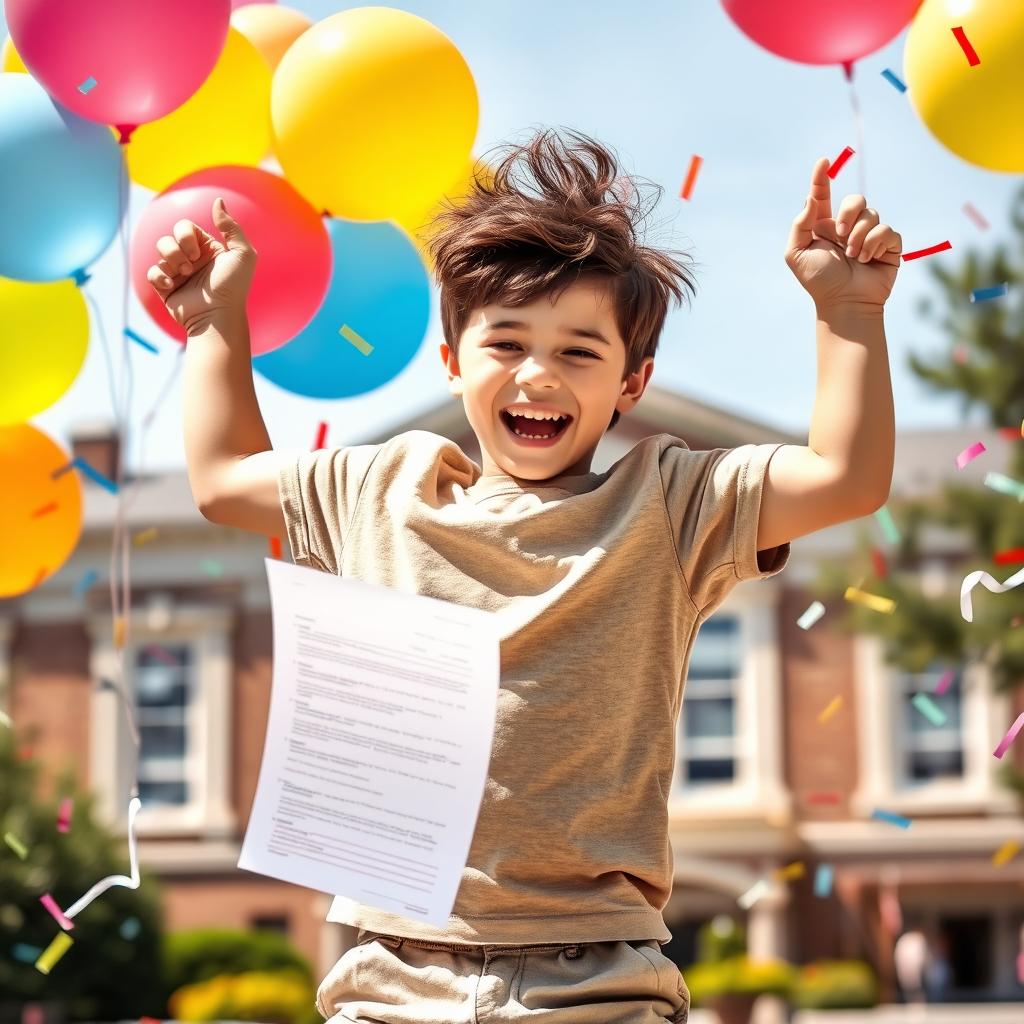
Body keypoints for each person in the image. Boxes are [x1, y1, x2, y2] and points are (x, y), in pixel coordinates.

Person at [148, 126, 902, 1024]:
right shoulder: (378, 490)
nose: (538, 375)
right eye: (506, 344)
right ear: (451, 363)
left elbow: (845, 477)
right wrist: (212, 322)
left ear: (632, 384)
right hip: (395, 975)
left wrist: (848, 310)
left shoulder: (669, 504)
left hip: (594, 983)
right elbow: (223, 480)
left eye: (579, 351)